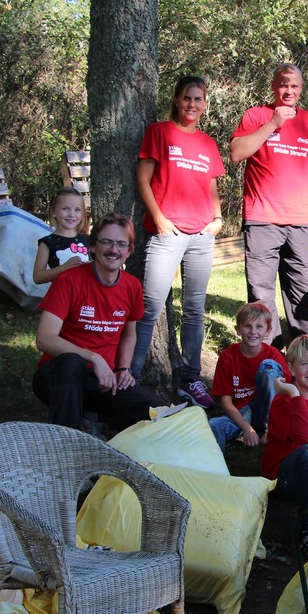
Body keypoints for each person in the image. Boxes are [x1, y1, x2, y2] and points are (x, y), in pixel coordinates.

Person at [130, 75, 227, 408]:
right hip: (167, 232)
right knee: (150, 307)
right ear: (176, 99)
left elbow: (211, 186)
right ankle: (132, 376)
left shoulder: (208, 144)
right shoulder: (159, 132)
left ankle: (190, 380)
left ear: (205, 104)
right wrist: (158, 217)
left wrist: (217, 219)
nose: (192, 104)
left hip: (202, 235)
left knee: (194, 310)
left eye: (199, 99)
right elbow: (143, 178)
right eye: (187, 98)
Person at [32, 213, 163, 434]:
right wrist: (93, 356)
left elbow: (129, 334)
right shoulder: (69, 280)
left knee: (155, 410)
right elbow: (44, 339)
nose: (114, 250)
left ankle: (100, 430)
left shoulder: (132, 286)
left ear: (129, 251)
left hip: (103, 381)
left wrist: (122, 368)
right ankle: (66, 441)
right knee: (71, 363)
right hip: (57, 378)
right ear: (92, 246)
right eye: (107, 242)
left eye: (121, 244)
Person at [230, 63, 308, 345]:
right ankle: (268, 356)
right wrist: (273, 124)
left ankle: (306, 357)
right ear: (274, 87)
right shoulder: (256, 115)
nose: (288, 91)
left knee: (303, 293)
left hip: (300, 222)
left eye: (294, 86)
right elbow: (236, 153)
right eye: (283, 85)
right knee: (261, 294)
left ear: (301, 89)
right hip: (262, 219)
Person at [264, 335, 308, 557]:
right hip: (285, 477)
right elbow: (306, 440)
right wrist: (295, 394)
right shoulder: (284, 401)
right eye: (304, 363)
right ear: (291, 369)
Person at [209, 302, 289, 454]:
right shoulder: (227, 357)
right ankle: (217, 470)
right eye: (247, 326)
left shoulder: (273, 355)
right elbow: (226, 402)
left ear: (268, 330)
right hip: (241, 414)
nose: (253, 332)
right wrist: (247, 429)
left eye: (259, 327)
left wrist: (274, 427)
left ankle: (269, 430)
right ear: (238, 330)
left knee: (268, 367)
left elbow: (286, 394)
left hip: (268, 411)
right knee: (214, 425)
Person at [33, 187, 89, 285]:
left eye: (77, 210)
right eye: (65, 209)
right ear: (53, 211)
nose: (72, 214)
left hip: (87, 296)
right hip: (62, 296)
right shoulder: (47, 243)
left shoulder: (87, 239)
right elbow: (37, 277)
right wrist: (64, 267)